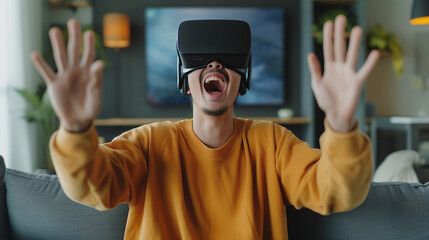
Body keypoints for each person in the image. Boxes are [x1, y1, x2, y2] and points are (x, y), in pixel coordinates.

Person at [30, 15, 380, 239]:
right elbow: (94, 186)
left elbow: (336, 190)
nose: (215, 62)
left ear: (243, 77)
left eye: (228, 58)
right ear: (185, 77)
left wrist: (341, 124)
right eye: (201, 58)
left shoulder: (271, 143)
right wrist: (75, 129)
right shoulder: (150, 143)